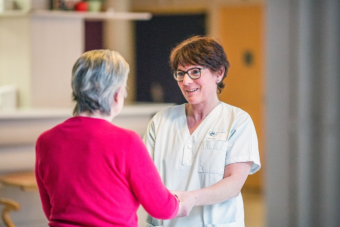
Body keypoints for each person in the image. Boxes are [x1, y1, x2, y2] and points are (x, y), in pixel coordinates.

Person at [35, 49, 179, 227]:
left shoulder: (46, 141)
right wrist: (187, 200)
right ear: (117, 94)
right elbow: (162, 208)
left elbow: (51, 210)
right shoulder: (127, 141)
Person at [143, 36, 261, 227]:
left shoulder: (237, 121)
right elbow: (144, 177)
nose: (186, 81)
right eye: (180, 74)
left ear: (219, 73)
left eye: (195, 72)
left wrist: (192, 198)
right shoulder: (161, 121)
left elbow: (234, 183)